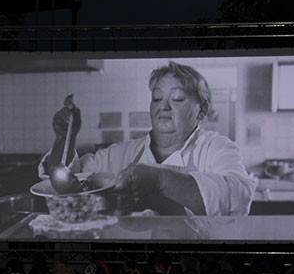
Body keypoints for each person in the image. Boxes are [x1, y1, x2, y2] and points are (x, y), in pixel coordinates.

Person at [39, 61, 256, 216]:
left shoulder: (215, 148)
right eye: (157, 98)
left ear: (202, 110)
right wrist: (64, 137)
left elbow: (236, 197)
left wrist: (158, 180)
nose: (164, 106)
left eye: (177, 98)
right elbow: (68, 180)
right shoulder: (122, 153)